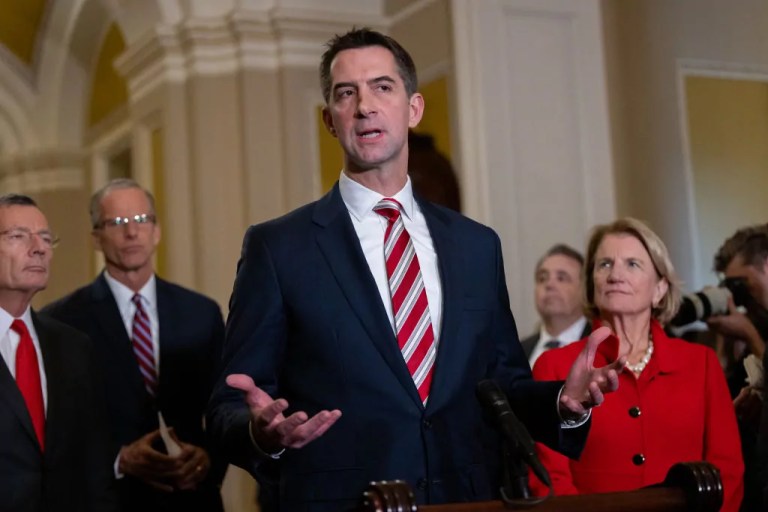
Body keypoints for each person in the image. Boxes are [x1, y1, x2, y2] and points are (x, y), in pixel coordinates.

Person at [207, 27, 623, 511]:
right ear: (330, 120)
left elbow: (502, 384)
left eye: (382, 87)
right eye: (347, 93)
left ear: (414, 107)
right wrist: (264, 435)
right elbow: (226, 409)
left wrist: (562, 403)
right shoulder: (278, 248)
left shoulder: (476, 246)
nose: (365, 106)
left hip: (467, 499)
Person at [528, 218, 744, 512]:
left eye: (632, 264)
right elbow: (548, 478)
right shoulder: (553, 365)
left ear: (659, 289)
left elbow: (728, 471)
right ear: (592, 285)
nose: (615, 274)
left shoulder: (701, 363)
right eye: (604, 264)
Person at [43, 179, 226, 512]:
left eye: (141, 221)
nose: (132, 233)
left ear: (156, 231)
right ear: (96, 238)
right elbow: (55, 428)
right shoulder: (60, 321)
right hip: (111, 500)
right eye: (117, 223)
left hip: (192, 499)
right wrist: (119, 459)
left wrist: (209, 457)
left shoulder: (201, 312)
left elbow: (225, 405)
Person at [0, 194, 118, 511]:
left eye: (47, 238)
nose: (39, 247)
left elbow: (96, 469)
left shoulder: (74, 347)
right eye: (18, 236)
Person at [710, 223, 768, 511]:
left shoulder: (752, 329)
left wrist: (750, 336)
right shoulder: (752, 322)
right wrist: (723, 348)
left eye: (741, 284)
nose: (739, 297)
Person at [520, 244, 590, 366]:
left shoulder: (602, 347)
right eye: (542, 278)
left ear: (585, 290)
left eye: (561, 278)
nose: (549, 285)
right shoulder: (518, 352)